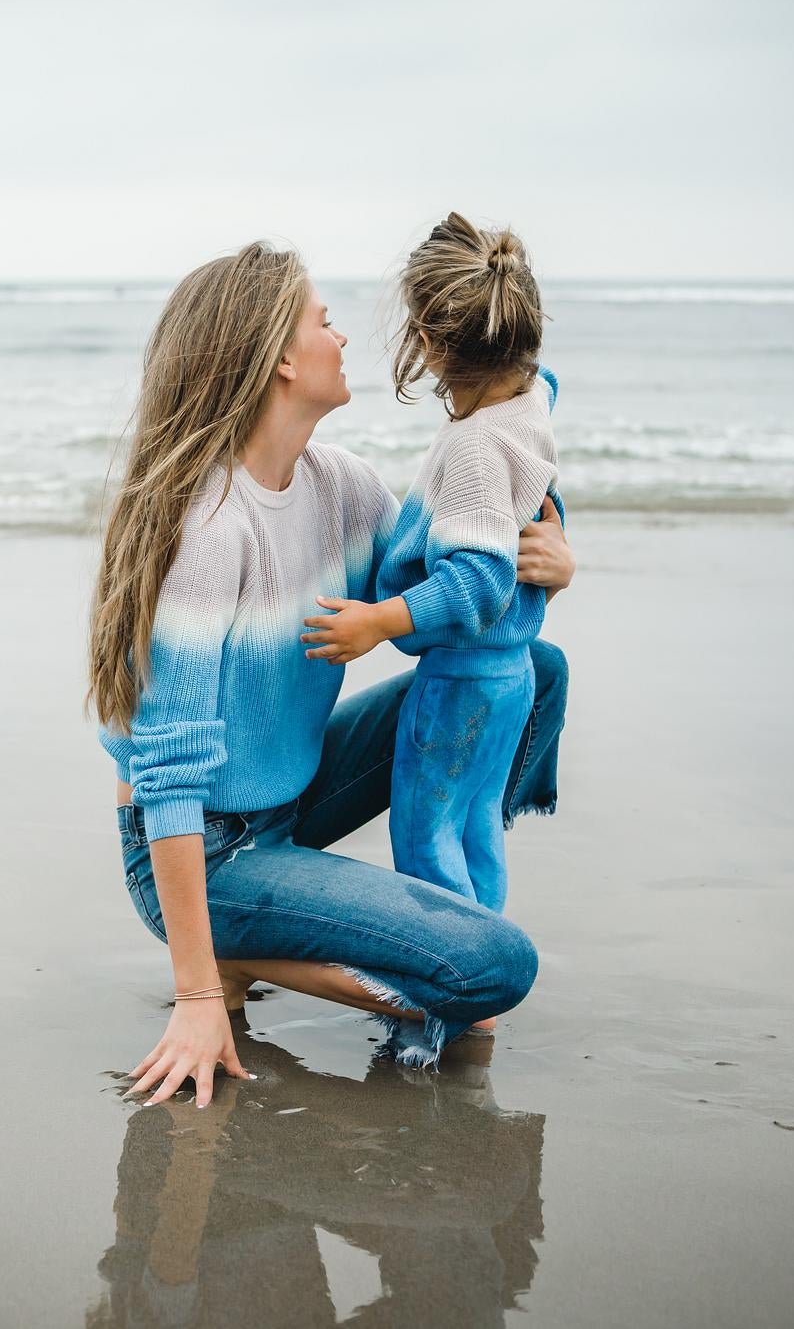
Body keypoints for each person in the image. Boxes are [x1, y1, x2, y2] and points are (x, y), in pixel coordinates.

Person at [89, 242, 573, 1101]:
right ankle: (227, 955)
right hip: (206, 851)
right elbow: (168, 774)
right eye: (323, 320)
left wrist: (549, 549)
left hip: (291, 795)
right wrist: (200, 995)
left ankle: (452, 875)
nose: (343, 337)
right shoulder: (209, 531)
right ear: (280, 356)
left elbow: (448, 590)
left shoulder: (341, 487)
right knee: (495, 968)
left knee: (536, 669)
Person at [299, 213, 561, 916]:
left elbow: (478, 581)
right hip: (511, 674)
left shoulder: (477, 448)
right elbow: (550, 402)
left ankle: (447, 982)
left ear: (431, 344)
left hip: (459, 683)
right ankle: (483, 977)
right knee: (475, 831)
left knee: (425, 836)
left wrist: (379, 623)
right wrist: (553, 521)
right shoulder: (534, 401)